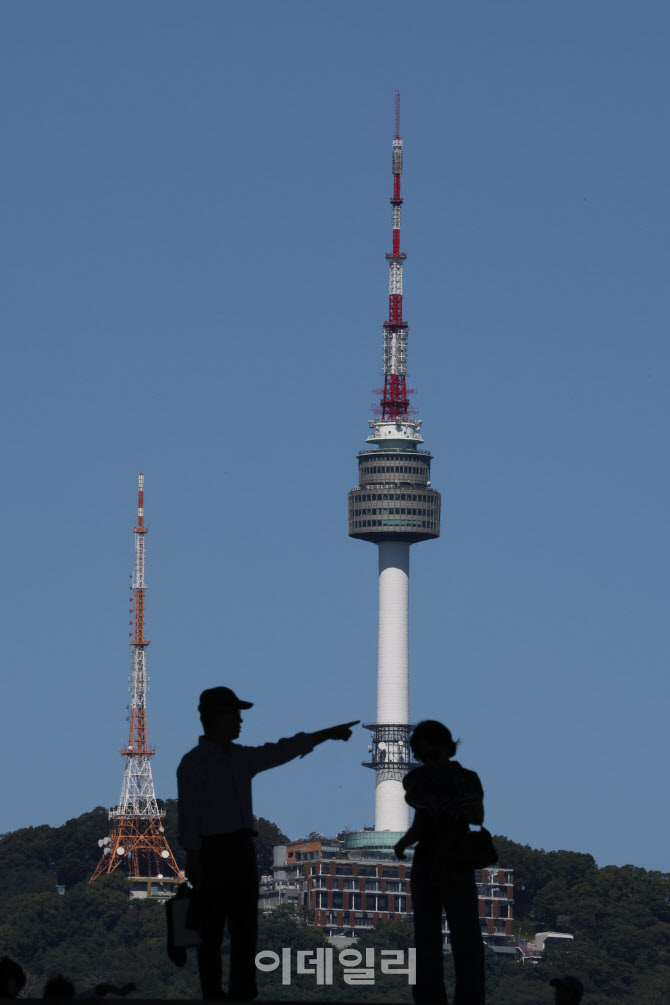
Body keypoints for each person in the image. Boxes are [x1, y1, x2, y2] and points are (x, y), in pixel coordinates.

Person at [177, 685, 358, 1001]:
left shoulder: (230, 759)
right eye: (235, 715)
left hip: (229, 851)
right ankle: (219, 991)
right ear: (217, 717)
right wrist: (194, 857)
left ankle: (237, 989)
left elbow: (282, 750)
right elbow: (189, 815)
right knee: (219, 927)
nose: (240, 722)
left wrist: (325, 734)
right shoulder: (202, 763)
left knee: (240, 927)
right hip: (215, 852)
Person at [394, 720, 485, 1005]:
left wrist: (407, 841)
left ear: (447, 749)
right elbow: (475, 817)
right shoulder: (464, 779)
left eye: (431, 756)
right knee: (449, 936)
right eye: (423, 758)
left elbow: (424, 820)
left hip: (442, 861)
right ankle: (453, 998)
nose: (427, 762)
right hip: (449, 860)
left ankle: (442, 998)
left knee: (444, 937)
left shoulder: (422, 781)